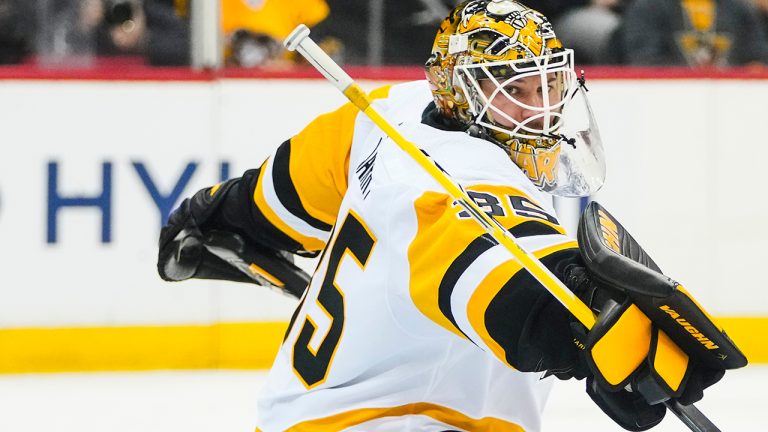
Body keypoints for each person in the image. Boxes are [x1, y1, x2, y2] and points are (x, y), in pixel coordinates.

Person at [157, 1, 734, 430]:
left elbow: (274, 201)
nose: (541, 110)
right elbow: (512, 288)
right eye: (514, 90)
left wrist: (216, 215)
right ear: (461, 93)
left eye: (548, 84)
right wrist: (586, 333)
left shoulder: (385, 112)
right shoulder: (453, 190)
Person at [621, 0, 768, 67]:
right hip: (669, 99)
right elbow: (647, 62)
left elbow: (759, 56)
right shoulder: (649, 7)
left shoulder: (738, 9)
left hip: (731, 101)